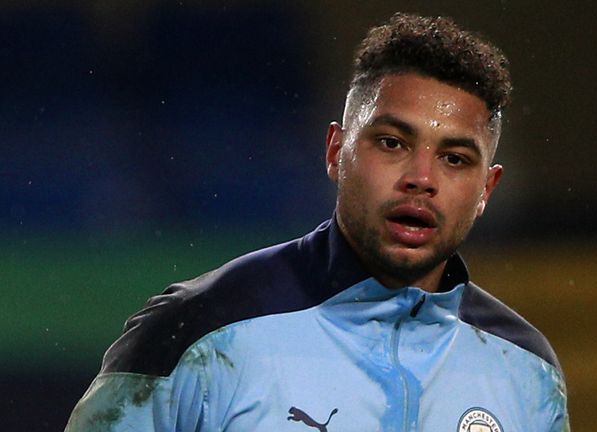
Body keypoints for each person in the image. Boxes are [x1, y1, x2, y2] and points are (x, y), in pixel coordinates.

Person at [66, 13, 569, 432]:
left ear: (486, 190)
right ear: (336, 151)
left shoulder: (526, 369)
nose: (421, 178)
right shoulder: (196, 332)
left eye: (455, 158)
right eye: (392, 143)